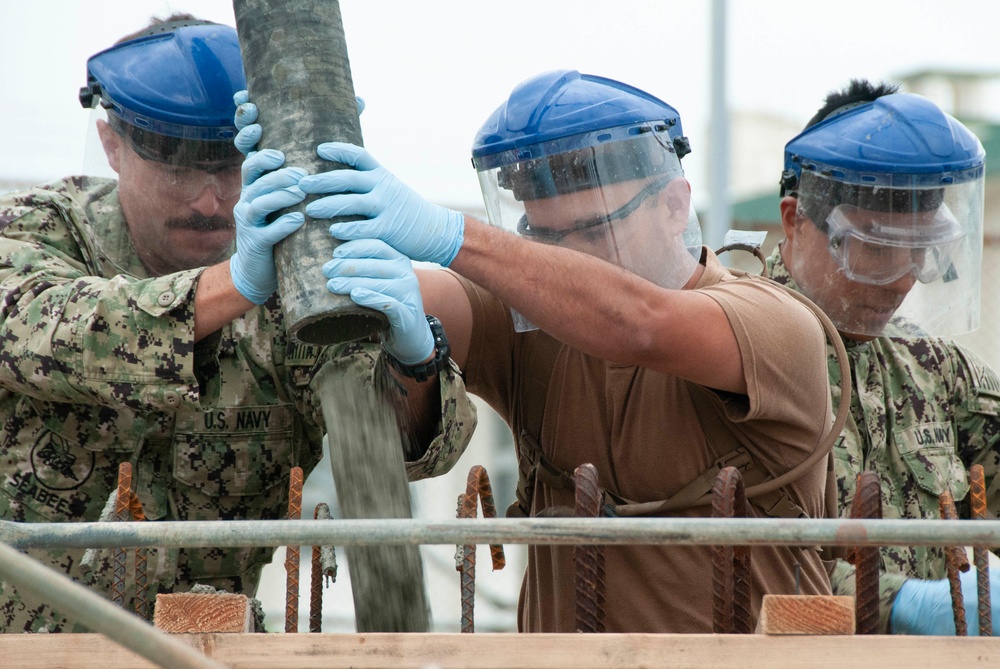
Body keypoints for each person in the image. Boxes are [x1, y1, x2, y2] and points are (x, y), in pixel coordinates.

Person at [236, 69, 840, 633]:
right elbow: (397, 293)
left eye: (593, 228)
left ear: (675, 205)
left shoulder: (772, 323)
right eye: (541, 236)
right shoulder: (533, 325)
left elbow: (641, 324)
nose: (565, 256)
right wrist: (306, 210)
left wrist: (453, 233)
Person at [0, 15, 474, 633]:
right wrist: (236, 285)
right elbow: (44, 333)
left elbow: (393, 452)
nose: (210, 200)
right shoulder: (35, 232)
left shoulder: (298, 277)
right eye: (179, 167)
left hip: (211, 644)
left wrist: (414, 360)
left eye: (232, 166)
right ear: (112, 145)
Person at [766, 78, 1000, 635]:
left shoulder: (934, 369)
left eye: (920, 250)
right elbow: (738, 559)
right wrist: (899, 604)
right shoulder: (738, 355)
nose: (901, 280)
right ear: (796, 220)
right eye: (875, 248)